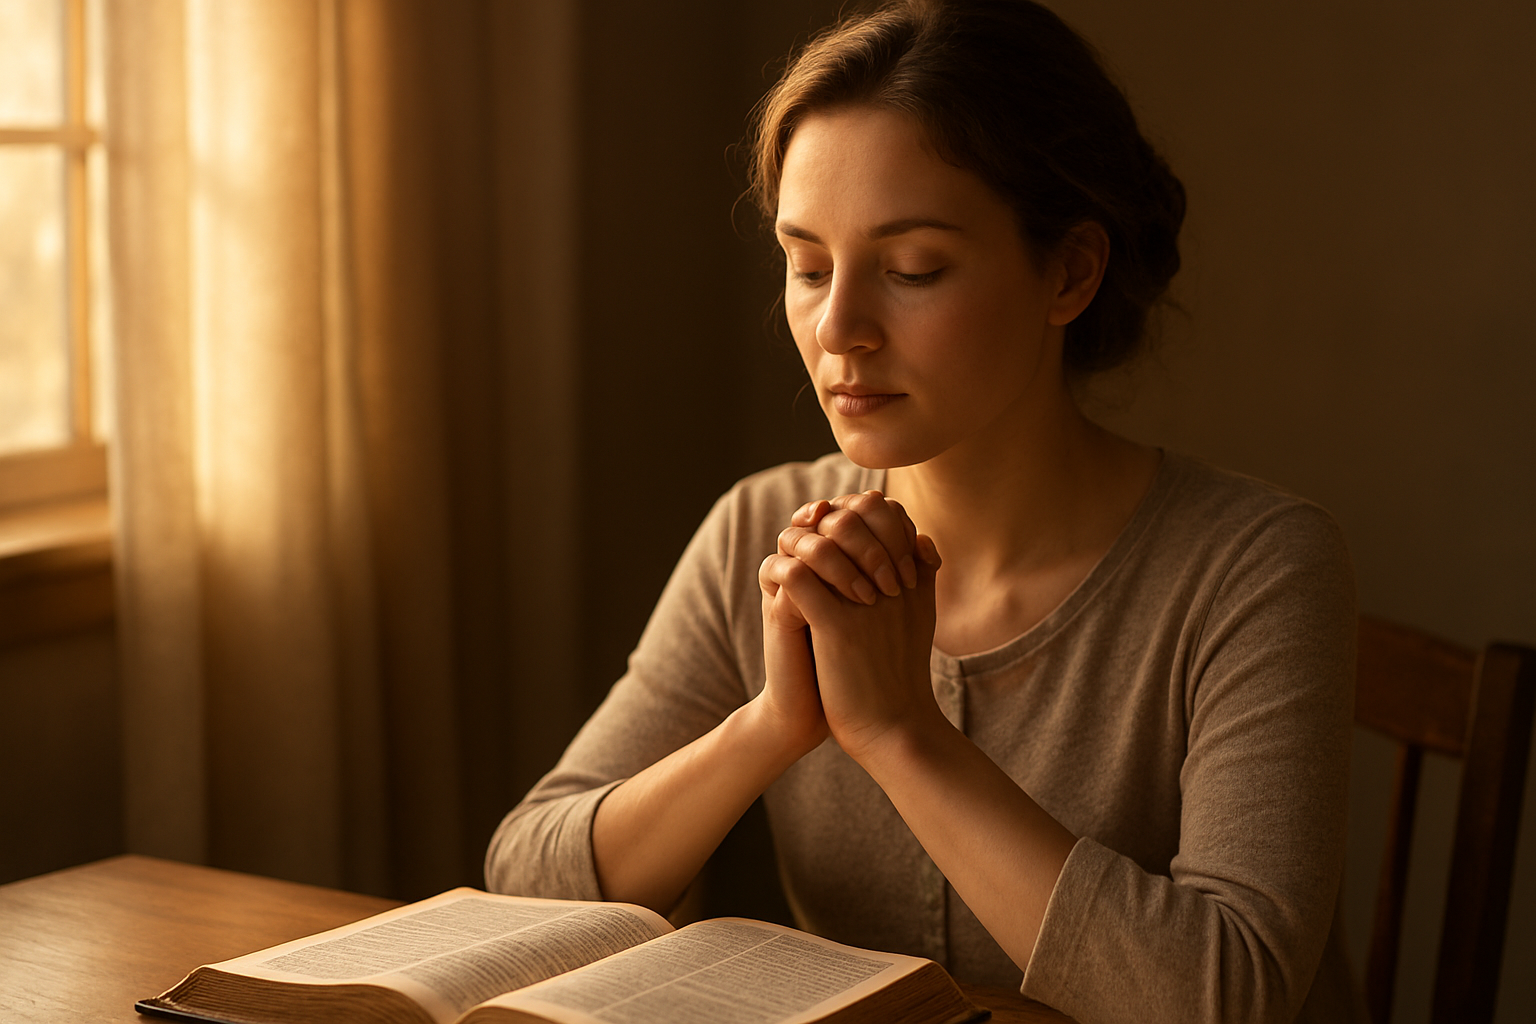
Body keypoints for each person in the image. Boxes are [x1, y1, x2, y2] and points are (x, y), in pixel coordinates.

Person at [486, 2, 1361, 1021]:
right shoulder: (763, 532)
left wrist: (899, 730)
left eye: (913, 270)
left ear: (1070, 272)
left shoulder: (1254, 568)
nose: (838, 328)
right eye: (808, 267)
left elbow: (1228, 997)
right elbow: (525, 878)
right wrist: (771, 726)